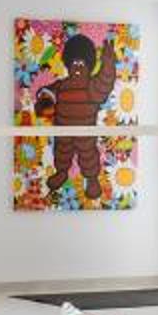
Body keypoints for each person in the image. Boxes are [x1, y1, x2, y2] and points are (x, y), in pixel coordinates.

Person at [37, 29, 119, 205]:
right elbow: (49, 92)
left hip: (85, 132)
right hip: (63, 131)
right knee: (61, 153)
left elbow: (105, 83)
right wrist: (45, 100)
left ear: (89, 65)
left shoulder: (92, 86)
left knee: (88, 155)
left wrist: (108, 65)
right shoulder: (62, 85)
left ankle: (92, 179)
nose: (78, 67)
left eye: (82, 63)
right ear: (68, 64)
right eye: (74, 63)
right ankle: (61, 172)